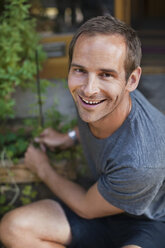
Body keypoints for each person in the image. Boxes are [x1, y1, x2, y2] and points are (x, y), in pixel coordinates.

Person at [0, 15, 165, 248]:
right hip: (102, 205)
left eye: (106, 74)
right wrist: (69, 137)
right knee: (13, 228)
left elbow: (87, 208)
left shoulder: (142, 161)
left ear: (132, 80)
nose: (89, 89)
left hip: (148, 223)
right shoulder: (98, 99)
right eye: (79, 70)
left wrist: (43, 168)